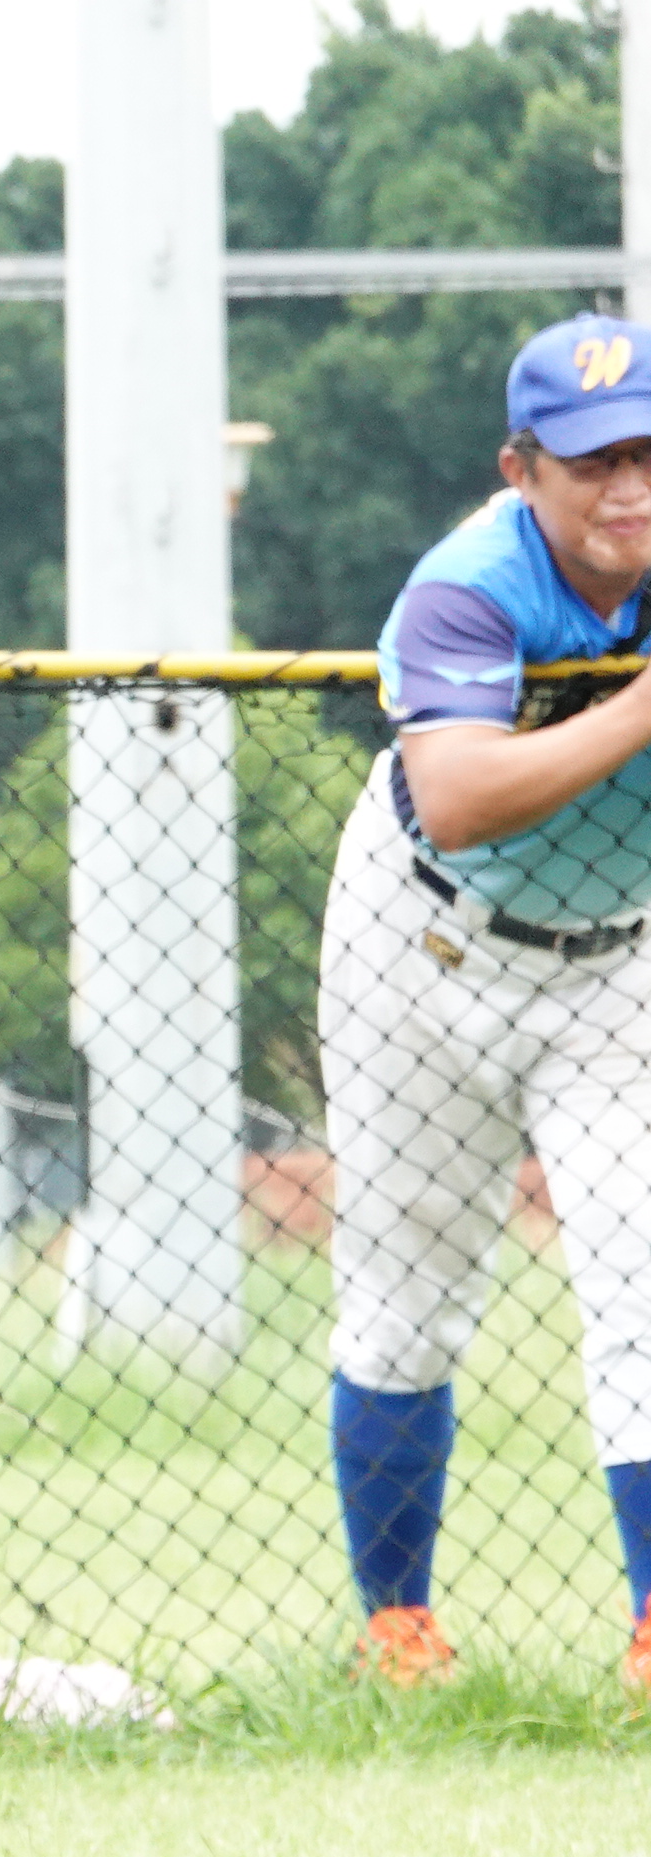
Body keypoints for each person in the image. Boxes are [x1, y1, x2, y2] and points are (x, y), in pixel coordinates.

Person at [330, 311, 651, 1690]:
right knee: (405, 1301)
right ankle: (396, 1630)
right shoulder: (468, 583)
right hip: (425, 943)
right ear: (521, 470)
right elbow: (456, 798)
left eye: (650, 455)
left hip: (619, 961)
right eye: (594, 461)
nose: (629, 488)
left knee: (645, 1290)